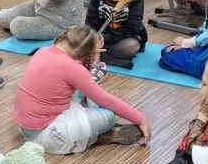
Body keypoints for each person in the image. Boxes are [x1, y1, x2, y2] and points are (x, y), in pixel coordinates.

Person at [14, 24, 151, 155]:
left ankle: (92, 132)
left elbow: (83, 78)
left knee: (85, 91)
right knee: (109, 116)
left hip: (25, 128)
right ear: (86, 53)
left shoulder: (43, 51)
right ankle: (99, 135)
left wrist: (91, 54)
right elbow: (105, 100)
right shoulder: (72, 68)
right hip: (48, 134)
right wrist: (141, 119)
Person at [86, 0, 148, 70]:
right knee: (75, 36)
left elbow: (133, 28)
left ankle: (99, 54)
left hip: (124, 37)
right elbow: (90, 22)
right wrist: (94, 37)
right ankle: (105, 55)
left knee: (131, 46)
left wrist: (105, 38)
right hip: (101, 37)